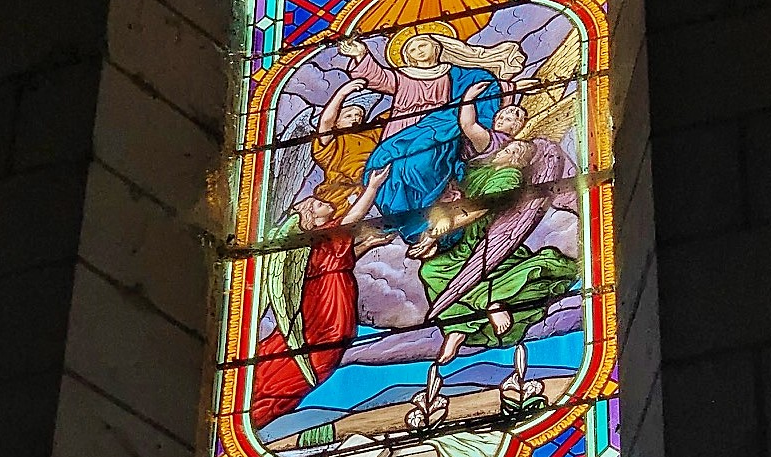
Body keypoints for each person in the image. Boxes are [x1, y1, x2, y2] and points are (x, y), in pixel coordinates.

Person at [248, 83, 381, 431]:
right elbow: (350, 223)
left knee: (321, 353)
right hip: (325, 304)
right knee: (320, 351)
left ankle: (266, 391)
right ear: (311, 217)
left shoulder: (323, 240)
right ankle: (263, 392)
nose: (325, 204)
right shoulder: (324, 232)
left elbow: (339, 256)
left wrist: (367, 246)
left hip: (332, 293)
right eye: (319, 204)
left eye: (360, 114)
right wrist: (372, 188)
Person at [416, 86, 579, 364]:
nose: (504, 149)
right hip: (466, 236)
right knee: (431, 270)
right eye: (502, 116)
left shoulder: (509, 177)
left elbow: (484, 207)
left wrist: (448, 225)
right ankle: (457, 328)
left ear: (515, 156)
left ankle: (489, 303)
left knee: (459, 271)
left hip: (487, 238)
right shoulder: (483, 164)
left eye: (511, 149)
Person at [336, 22, 525, 243]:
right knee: (394, 173)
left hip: (441, 130)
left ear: (436, 47)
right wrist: (361, 54)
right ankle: (411, 219)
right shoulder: (402, 75)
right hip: (403, 129)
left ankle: (432, 216)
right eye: (412, 49)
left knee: (423, 167)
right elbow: (379, 78)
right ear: (408, 57)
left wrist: (503, 87)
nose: (418, 51)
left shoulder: (455, 73)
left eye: (422, 45)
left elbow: (483, 84)